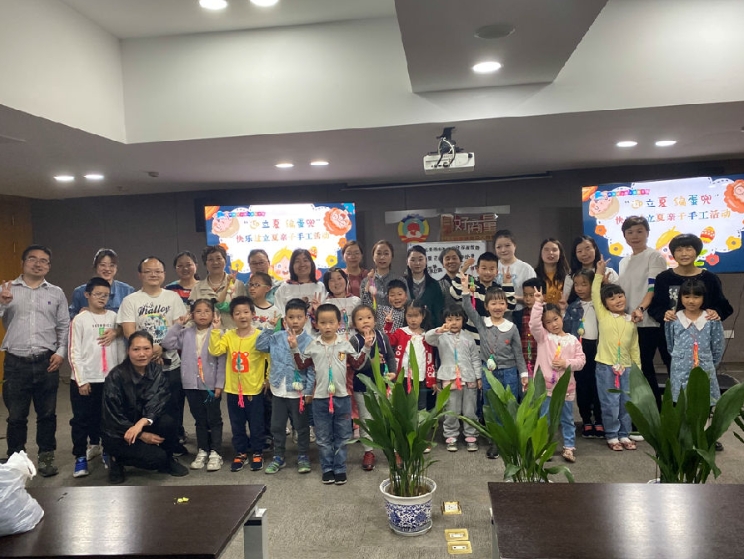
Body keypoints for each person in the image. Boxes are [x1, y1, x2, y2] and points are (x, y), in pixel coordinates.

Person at [0, 245, 69, 476]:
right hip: (15, 362)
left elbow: (64, 326)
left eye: (44, 260)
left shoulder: (56, 293)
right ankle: (16, 460)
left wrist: (61, 352)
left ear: (48, 266)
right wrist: (2, 303)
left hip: (46, 361)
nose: (38, 264)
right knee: (16, 416)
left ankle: (46, 457)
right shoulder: (6, 289)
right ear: (23, 263)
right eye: (33, 259)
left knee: (47, 414)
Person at [292, 303, 373, 485]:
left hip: (342, 398)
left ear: (339, 324)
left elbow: (357, 364)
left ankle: (340, 468)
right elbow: (301, 365)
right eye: (323, 322)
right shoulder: (313, 345)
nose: (327, 326)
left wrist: (366, 348)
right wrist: (294, 348)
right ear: (316, 324)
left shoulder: (344, 344)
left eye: (331, 322)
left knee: (343, 435)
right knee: (323, 436)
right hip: (320, 399)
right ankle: (327, 468)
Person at [117, 256, 189, 455]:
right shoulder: (131, 300)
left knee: (173, 405)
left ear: (164, 274)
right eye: (148, 271)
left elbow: (179, 329)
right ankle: (148, 444)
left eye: (158, 271)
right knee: (144, 406)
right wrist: (149, 352)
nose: (153, 275)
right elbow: (129, 332)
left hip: (170, 362)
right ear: (140, 275)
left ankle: (172, 443)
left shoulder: (172, 298)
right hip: (142, 366)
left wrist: (162, 349)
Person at [101, 331, 189, 484]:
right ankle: (116, 460)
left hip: (142, 424)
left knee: (168, 420)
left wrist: (141, 424)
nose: (142, 354)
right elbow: (112, 416)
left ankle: (168, 459)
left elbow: (158, 401)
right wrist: (141, 435)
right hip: (120, 432)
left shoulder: (156, 371)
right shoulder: (116, 376)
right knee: (155, 458)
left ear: (152, 350)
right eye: (136, 349)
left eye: (146, 349)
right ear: (128, 351)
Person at [460, 273, 527, 459]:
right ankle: (495, 441)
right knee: (490, 406)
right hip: (488, 373)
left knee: (509, 406)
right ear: (487, 306)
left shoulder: (512, 327)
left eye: (501, 303)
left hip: (509, 372)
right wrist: (465, 289)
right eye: (493, 303)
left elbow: (518, 353)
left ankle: (509, 439)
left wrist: (523, 375)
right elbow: (468, 308)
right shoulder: (482, 323)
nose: (498, 307)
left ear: (506, 305)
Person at [68, 277, 125, 477]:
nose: (102, 298)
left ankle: (108, 451)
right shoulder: (80, 319)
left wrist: (120, 376)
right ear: (87, 295)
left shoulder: (113, 317)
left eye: (106, 295)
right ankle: (80, 457)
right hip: (85, 379)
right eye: (98, 294)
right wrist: (81, 380)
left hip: (109, 379)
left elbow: (120, 347)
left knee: (108, 419)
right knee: (82, 419)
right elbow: (74, 351)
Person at [648, 233, 732, 365]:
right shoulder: (663, 278)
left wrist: (716, 312)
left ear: (697, 252)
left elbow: (724, 307)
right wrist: (665, 313)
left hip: (703, 341)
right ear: (673, 254)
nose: (684, 254)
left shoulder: (710, 278)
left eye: (688, 249)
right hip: (674, 340)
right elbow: (654, 308)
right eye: (679, 250)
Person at [161, 299, 225, 471]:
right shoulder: (186, 333)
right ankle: (202, 449)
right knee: (199, 418)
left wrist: (219, 384)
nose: (203, 314)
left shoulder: (218, 333)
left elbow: (222, 361)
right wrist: (178, 324)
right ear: (192, 314)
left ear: (213, 314)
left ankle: (216, 452)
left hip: (210, 385)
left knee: (214, 418)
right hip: (191, 384)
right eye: (198, 311)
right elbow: (167, 343)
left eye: (207, 311)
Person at [208, 296, 270, 473]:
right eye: (237, 313)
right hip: (233, 389)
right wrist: (215, 330)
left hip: (254, 389)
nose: (242, 316)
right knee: (237, 424)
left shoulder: (259, 336)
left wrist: (267, 378)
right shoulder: (229, 335)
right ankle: (241, 452)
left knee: (256, 423)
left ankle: (257, 452)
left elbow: (269, 358)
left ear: (253, 314)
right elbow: (215, 350)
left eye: (246, 312)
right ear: (232, 316)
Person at [256, 298, 315, 475]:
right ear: (285, 319)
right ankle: (278, 456)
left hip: (298, 392)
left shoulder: (310, 341)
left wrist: (309, 391)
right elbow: (260, 345)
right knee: (277, 426)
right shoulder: (277, 337)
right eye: (291, 317)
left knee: (301, 426)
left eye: (299, 317)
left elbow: (311, 369)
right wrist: (268, 327)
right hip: (278, 390)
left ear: (306, 318)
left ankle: (303, 455)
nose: (295, 321)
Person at [617, 216, 668, 413]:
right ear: (624, 236)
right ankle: (639, 412)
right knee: (634, 369)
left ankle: (654, 412)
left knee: (644, 367)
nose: (635, 236)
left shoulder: (654, 256)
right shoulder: (624, 261)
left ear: (647, 233)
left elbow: (653, 288)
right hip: (628, 322)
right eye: (630, 232)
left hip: (647, 321)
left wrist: (641, 308)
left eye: (639, 231)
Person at [529, 288, 586, 463]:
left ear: (561, 317)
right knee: (545, 419)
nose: (553, 324)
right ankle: (544, 446)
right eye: (548, 322)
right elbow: (534, 325)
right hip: (546, 389)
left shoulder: (573, 340)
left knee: (567, 419)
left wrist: (566, 363)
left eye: (556, 319)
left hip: (566, 389)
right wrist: (538, 303)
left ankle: (569, 447)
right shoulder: (544, 338)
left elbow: (581, 361)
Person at [594, 258, 641, 452]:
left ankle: (624, 433)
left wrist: (637, 369)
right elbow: (594, 293)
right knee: (610, 402)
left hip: (627, 368)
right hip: (606, 366)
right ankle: (612, 435)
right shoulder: (603, 315)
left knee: (626, 402)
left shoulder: (631, 320)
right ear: (605, 304)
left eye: (620, 296)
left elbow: (634, 347)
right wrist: (599, 272)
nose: (618, 300)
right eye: (612, 298)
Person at [426, 306, 481, 452]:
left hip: (469, 379)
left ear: (463, 320)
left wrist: (478, 377)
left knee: (470, 410)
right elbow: (428, 338)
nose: (454, 323)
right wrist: (440, 330)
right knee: (451, 410)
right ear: (444, 321)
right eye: (450, 319)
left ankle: (471, 436)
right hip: (449, 378)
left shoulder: (468, 337)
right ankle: (451, 436)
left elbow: (475, 358)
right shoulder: (441, 337)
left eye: (457, 319)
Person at [349, 304, 396, 472]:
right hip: (363, 386)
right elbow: (356, 366)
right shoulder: (355, 341)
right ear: (354, 324)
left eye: (369, 317)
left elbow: (390, 356)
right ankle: (368, 451)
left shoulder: (382, 336)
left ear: (375, 320)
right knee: (366, 419)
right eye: (360, 319)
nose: (365, 321)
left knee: (389, 417)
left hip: (383, 385)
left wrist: (393, 371)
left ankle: (395, 449)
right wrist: (368, 351)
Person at [665, 278, 725, 406]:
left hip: (705, 369)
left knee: (704, 405)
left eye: (696, 297)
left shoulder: (711, 319)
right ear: (680, 297)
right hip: (679, 371)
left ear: (703, 298)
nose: (691, 301)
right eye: (686, 297)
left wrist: (709, 363)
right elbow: (670, 345)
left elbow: (717, 347)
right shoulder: (673, 319)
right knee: (681, 405)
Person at [562, 270, 604, 439]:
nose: (579, 288)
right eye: (576, 284)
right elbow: (566, 329)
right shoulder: (573, 306)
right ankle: (586, 419)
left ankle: (599, 420)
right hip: (580, 349)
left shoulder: (601, 304)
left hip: (598, 348)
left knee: (598, 385)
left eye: (584, 284)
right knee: (582, 385)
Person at [449, 252, 516, 346]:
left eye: (491, 269)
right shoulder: (471, 286)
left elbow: (511, 306)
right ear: (477, 269)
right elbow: (455, 293)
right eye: (484, 268)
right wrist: (463, 270)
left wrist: (507, 283)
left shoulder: (499, 290)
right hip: (470, 337)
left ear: (497, 272)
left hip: (492, 339)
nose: (487, 272)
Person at [384, 300, 436, 411]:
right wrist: (388, 325)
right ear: (405, 316)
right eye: (409, 316)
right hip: (402, 375)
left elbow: (430, 360)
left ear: (423, 316)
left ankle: (420, 423)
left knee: (420, 405)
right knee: (402, 404)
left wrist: (432, 380)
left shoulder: (427, 336)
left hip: (420, 376)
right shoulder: (401, 332)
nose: (413, 320)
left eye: (416, 316)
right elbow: (387, 342)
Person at [189, 245, 247, 330]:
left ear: (225, 261)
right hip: (206, 335)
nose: (215, 262)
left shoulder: (238, 285)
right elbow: (191, 313)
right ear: (205, 263)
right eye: (210, 259)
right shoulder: (197, 288)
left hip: (233, 334)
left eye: (219, 258)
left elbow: (246, 311)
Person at [68, 248, 135, 318]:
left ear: (116, 268)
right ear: (95, 266)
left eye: (112, 265)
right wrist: (80, 314)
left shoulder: (128, 291)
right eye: (103, 265)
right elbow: (70, 316)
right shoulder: (80, 292)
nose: (107, 269)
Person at [273, 248, 327, 325]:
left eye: (305, 260)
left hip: (317, 331)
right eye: (297, 261)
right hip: (290, 330)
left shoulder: (320, 286)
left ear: (311, 264)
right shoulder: (284, 288)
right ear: (292, 266)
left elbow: (326, 312)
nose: (302, 264)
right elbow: (279, 312)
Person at [493, 230, 537, 312]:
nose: (503, 250)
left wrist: (513, 298)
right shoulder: (492, 267)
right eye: (499, 247)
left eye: (507, 245)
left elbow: (535, 296)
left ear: (515, 245)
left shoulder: (526, 268)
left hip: (520, 312)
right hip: (495, 313)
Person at [513, 278, 546, 381]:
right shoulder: (518, 315)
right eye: (525, 295)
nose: (527, 299)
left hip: (543, 361)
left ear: (543, 295)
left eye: (532, 295)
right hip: (524, 362)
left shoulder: (548, 314)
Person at [404, 245, 444, 328]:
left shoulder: (434, 285)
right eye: (413, 260)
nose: (417, 263)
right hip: (406, 330)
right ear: (407, 262)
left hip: (429, 330)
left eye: (420, 259)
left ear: (426, 261)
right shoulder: (403, 283)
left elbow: (438, 311)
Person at [361, 240, 408, 308]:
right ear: (373, 257)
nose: (382, 257)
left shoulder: (401, 280)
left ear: (392, 257)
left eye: (386, 254)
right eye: (379, 253)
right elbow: (363, 306)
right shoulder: (365, 282)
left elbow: (407, 305)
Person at [534, 238, 571, 306]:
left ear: (560, 253)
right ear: (541, 253)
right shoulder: (533, 274)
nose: (550, 253)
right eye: (546, 250)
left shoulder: (569, 276)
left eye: (554, 250)